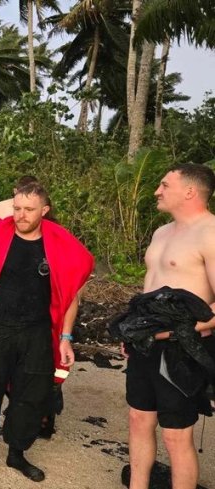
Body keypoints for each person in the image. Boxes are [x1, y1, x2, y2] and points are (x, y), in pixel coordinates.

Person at [0, 183, 93, 481]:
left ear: (44, 211)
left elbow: (70, 296)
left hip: (36, 333)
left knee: (30, 396)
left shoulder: (59, 245)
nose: (20, 215)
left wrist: (66, 338)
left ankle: (17, 453)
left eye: (29, 210)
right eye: (17, 208)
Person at [124, 164, 215, 489]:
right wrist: (134, 327)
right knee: (138, 419)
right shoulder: (162, 232)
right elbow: (152, 288)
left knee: (176, 435)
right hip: (145, 343)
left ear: (190, 191)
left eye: (164, 185)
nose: (157, 191)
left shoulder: (210, 232)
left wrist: (178, 331)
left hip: (181, 349)